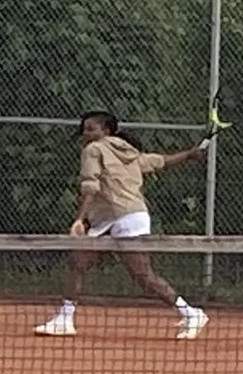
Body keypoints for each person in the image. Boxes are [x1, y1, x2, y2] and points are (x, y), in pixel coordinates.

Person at [34, 111, 213, 339]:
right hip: (125, 216)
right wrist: (189, 154)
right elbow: (160, 161)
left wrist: (79, 219)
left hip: (123, 217)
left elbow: (90, 186)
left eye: (91, 129)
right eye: (84, 129)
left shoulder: (93, 150)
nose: (86, 133)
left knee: (142, 275)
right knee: (78, 262)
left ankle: (191, 313)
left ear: (106, 131)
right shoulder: (130, 154)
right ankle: (64, 319)